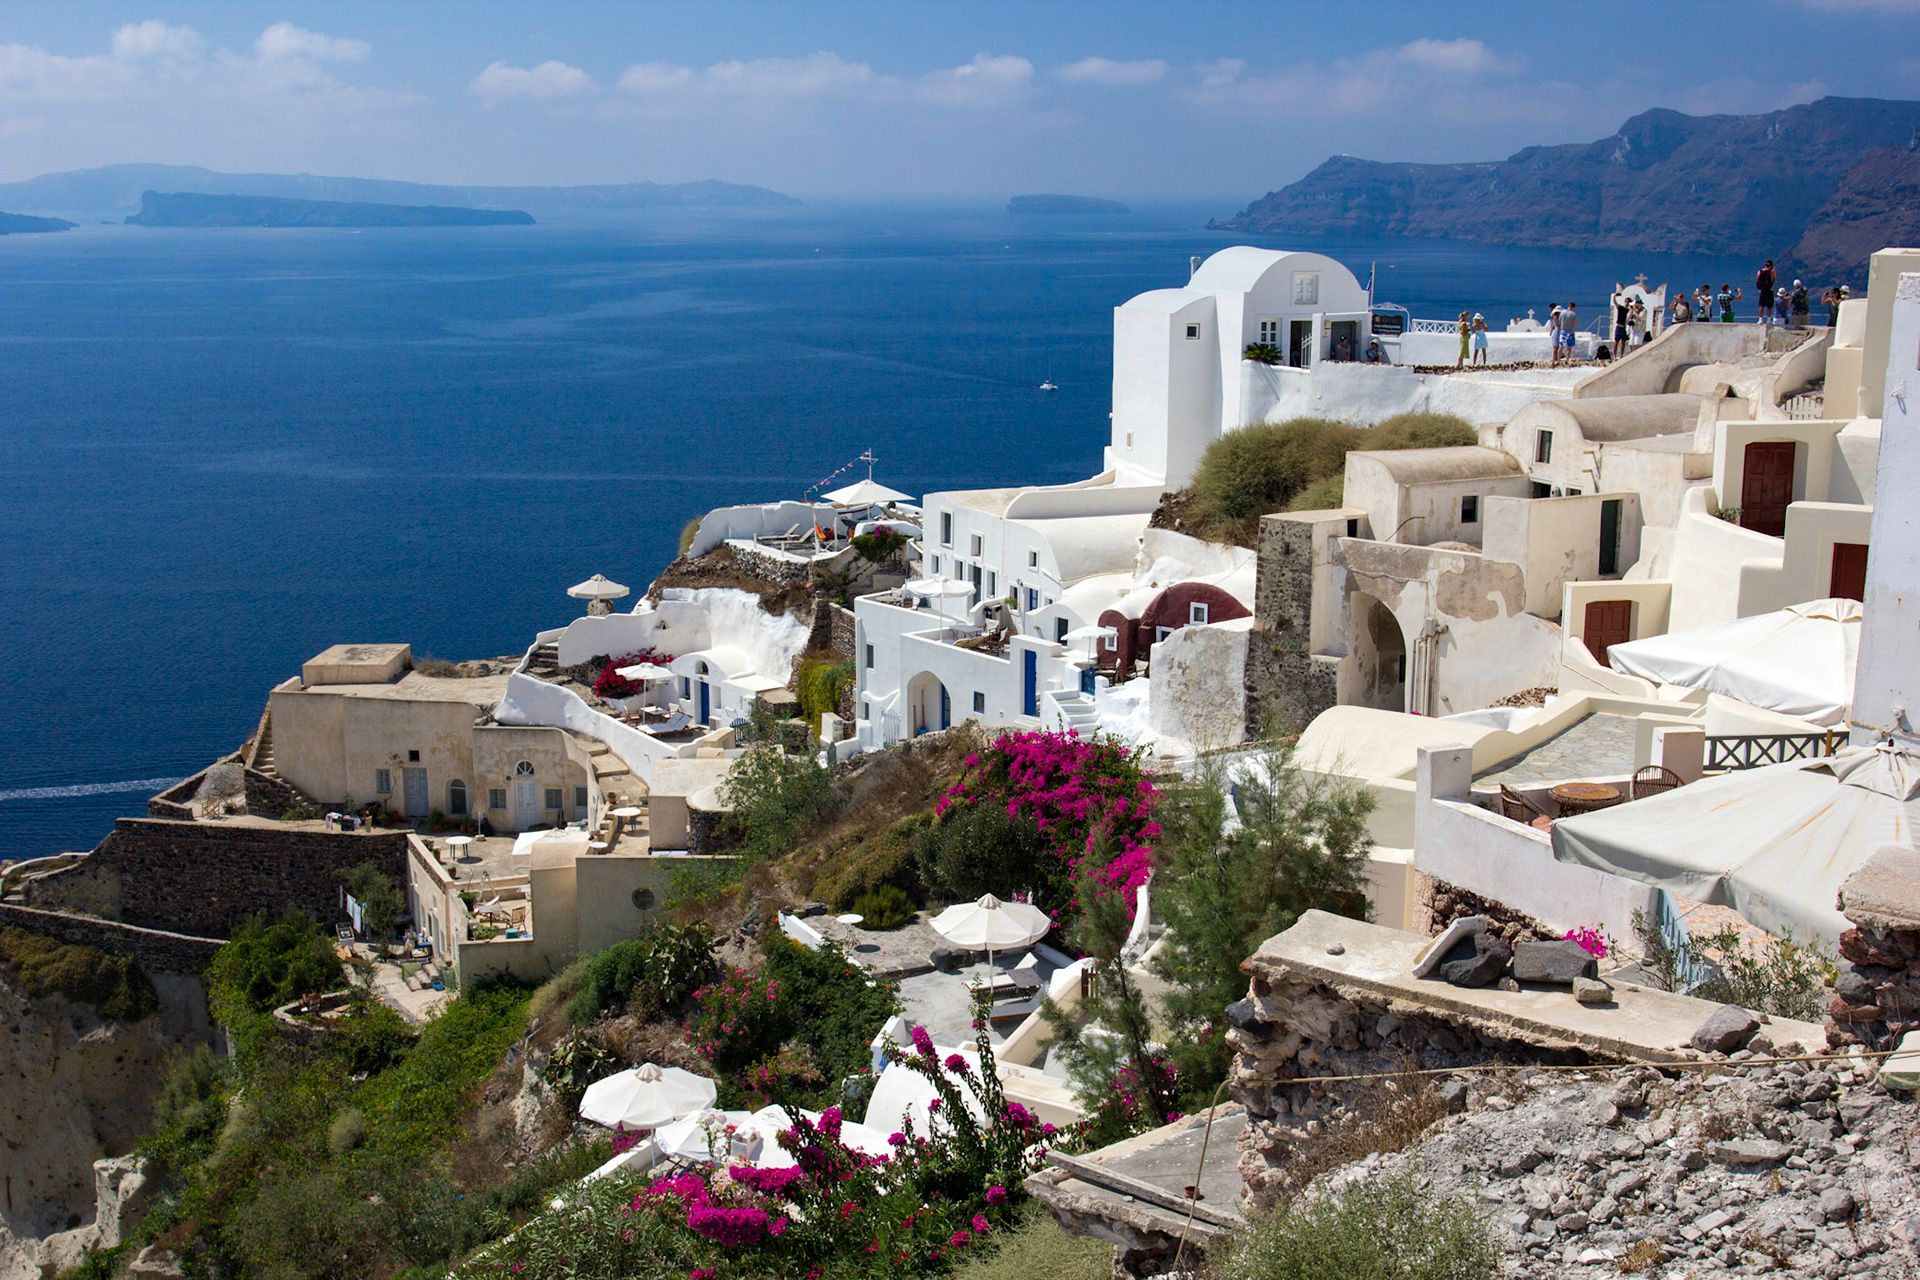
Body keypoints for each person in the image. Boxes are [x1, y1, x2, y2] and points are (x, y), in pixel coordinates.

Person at [1756, 259, 1776, 324]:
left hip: (1762, 291)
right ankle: (1769, 320)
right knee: (1769, 306)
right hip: (1769, 290)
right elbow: (1774, 278)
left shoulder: (1760, 271)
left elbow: (1758, 279)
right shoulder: (1772, 272)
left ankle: (1760, 319)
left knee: (1761, 305)